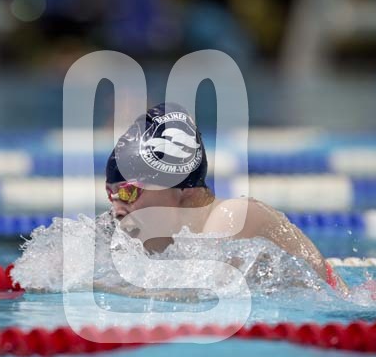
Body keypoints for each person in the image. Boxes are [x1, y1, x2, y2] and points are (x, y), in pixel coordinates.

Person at [104, 102, 349, 295]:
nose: (117, 209)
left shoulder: (232, 216)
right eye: (111, 194)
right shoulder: (172, 241)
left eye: (128, 192)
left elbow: (203, 296)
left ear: (181, 186)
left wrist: (102, 287)